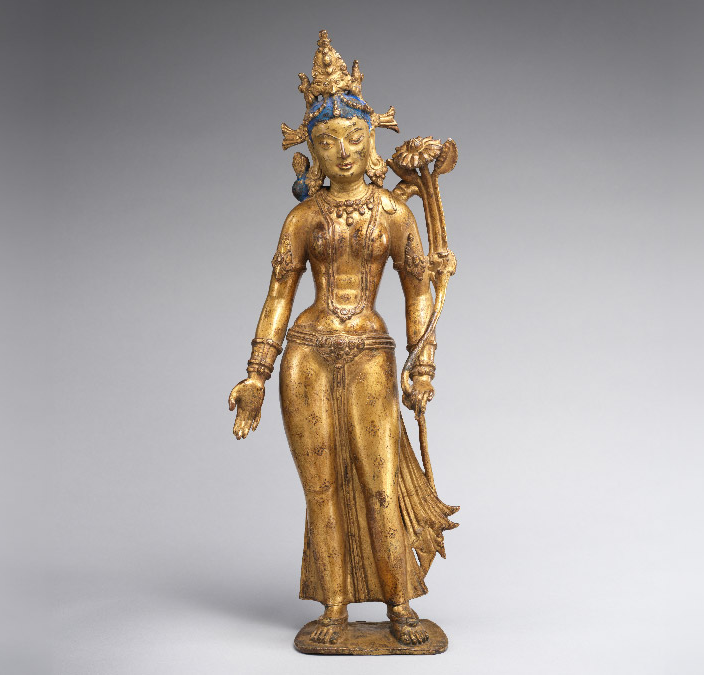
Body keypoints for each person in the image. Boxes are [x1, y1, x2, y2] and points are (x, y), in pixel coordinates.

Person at [227, 31, 457, 647]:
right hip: (305, 355)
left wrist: (423, 363)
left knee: (380, 482)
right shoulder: (302, 218)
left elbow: (417, 289)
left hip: (370, 356)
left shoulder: (394, 214)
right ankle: (333, 606)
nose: (343, 150)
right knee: (321, 489)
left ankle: (400, 604)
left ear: (371, 138)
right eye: (327, 141)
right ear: (311, 151)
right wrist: (255, 374)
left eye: (354, 136)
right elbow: (279, 296)